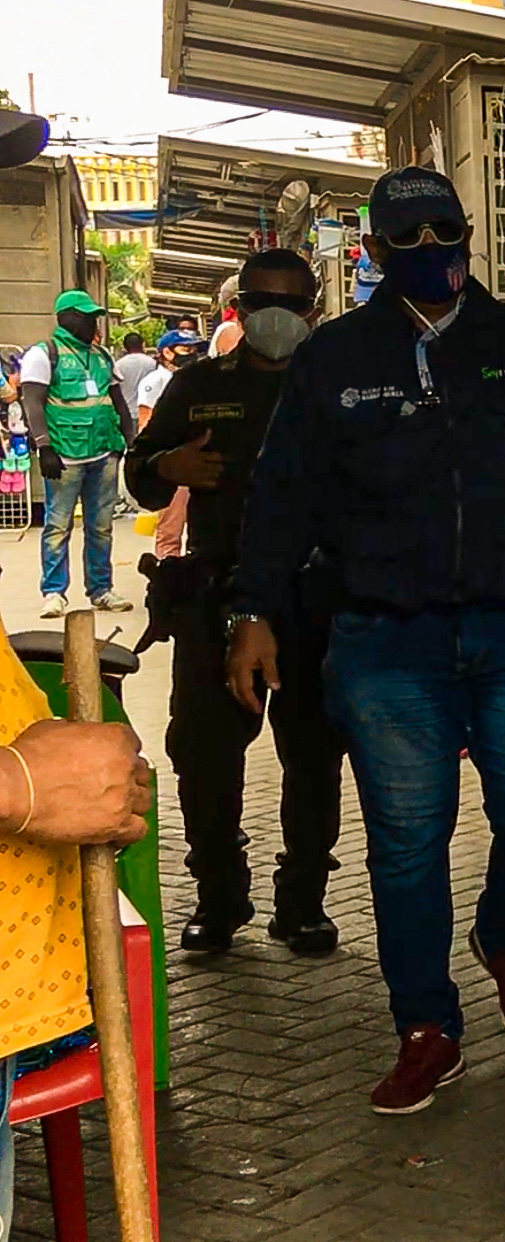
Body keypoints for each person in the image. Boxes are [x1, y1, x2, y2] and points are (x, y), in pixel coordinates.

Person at [227, 166, 505, 1115]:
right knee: (408, 845)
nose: (426, 252)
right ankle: (427, 1027)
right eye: (402, 239)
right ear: (371, 253)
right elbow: (278, 498)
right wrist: (248, 610)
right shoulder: (333, 360)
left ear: (465, 233)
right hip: (382, 640)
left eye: (441, 231)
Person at [0, 99, 158, 1242]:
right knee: (62, 532)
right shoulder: (47, 360)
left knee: (89, 542)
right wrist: (17, 788)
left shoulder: (96, 358)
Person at [126, 250, 344, 957]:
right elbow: (142, 476)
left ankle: (302, 902)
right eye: (261, 302)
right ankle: (219, 896)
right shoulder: (196, 385)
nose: (277, 315)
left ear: (314, 307)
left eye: (292, 301)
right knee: (205, 757)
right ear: (239, 310)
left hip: (316, 599)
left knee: (313, 755)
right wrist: (168, 467)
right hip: (217, 596)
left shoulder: (340, 380)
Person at [17, 291, 136, 619]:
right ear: (65, 318)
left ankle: (101, 590)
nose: (92, 323)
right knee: (57, 525)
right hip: (65, 455)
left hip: (103, 452)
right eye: (86, 317)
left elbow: (119, 403)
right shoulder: (44, 354)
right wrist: (44, 447)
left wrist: (132, 441)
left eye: (94, 317)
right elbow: (33, 403)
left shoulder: (101, 356)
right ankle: (54, 592)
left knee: (101, 526)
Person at [136, 329, 205, 560]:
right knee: (170, 528)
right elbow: (145, 422)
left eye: (195, 349)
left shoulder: (195, 379)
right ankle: (167, 574)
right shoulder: (154, 381)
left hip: (197, 458)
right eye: (186, 349)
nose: (192, 354)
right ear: (166, 352)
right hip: (172, 461)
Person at [112, 333, 157, 426]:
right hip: (147, 412)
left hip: (127, 413)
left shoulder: (119, 365)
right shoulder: (152, 363)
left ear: (125, 347)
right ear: (143, 344)